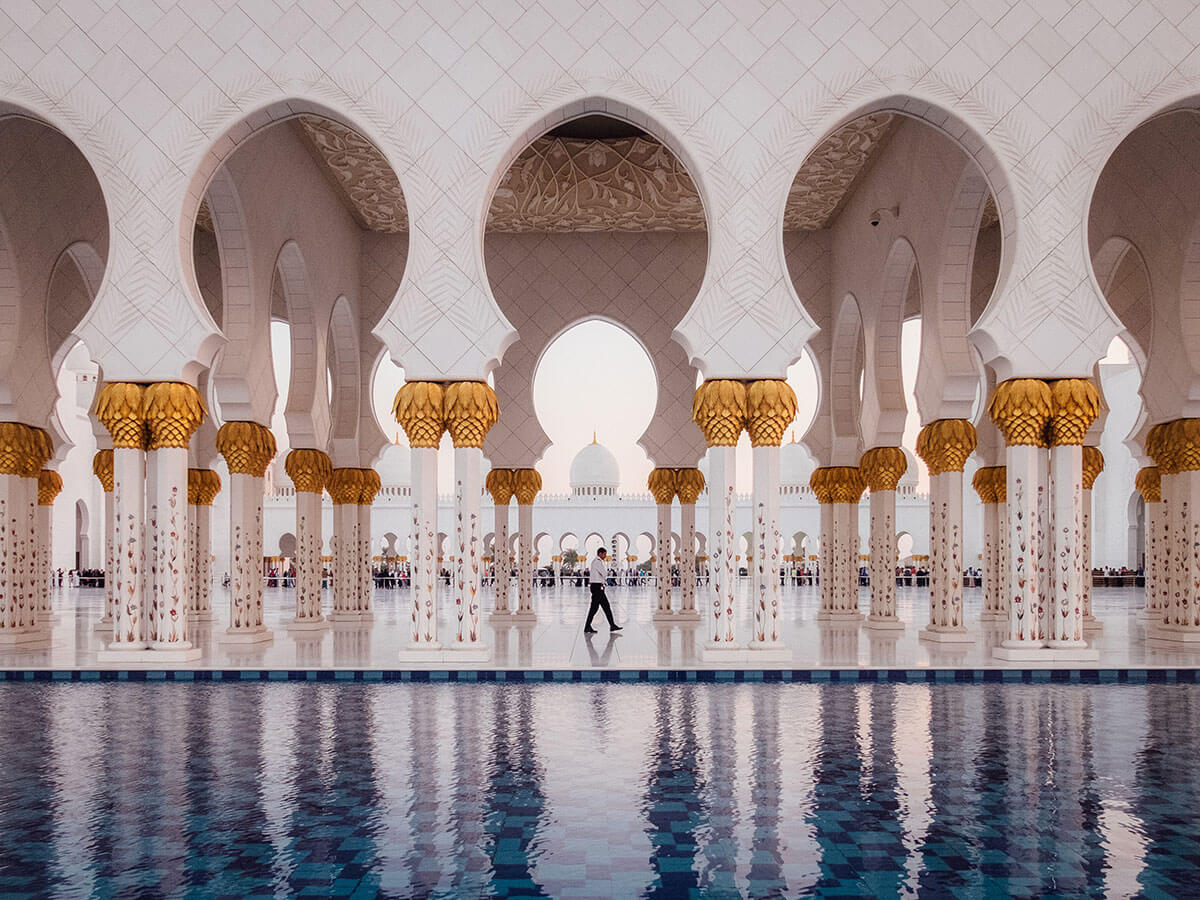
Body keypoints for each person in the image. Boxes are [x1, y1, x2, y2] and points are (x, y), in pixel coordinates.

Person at [585, 547, 621, 634]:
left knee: (606, 606)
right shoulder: (597, 562)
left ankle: (612, 625)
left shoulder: (597, 562)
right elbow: (604, 574)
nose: (605, 556)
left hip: (598, 587)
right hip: (597, 587)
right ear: (600, 554)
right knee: (594, 608)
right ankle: (587, 627)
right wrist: (607, 573)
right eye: (604, 554)